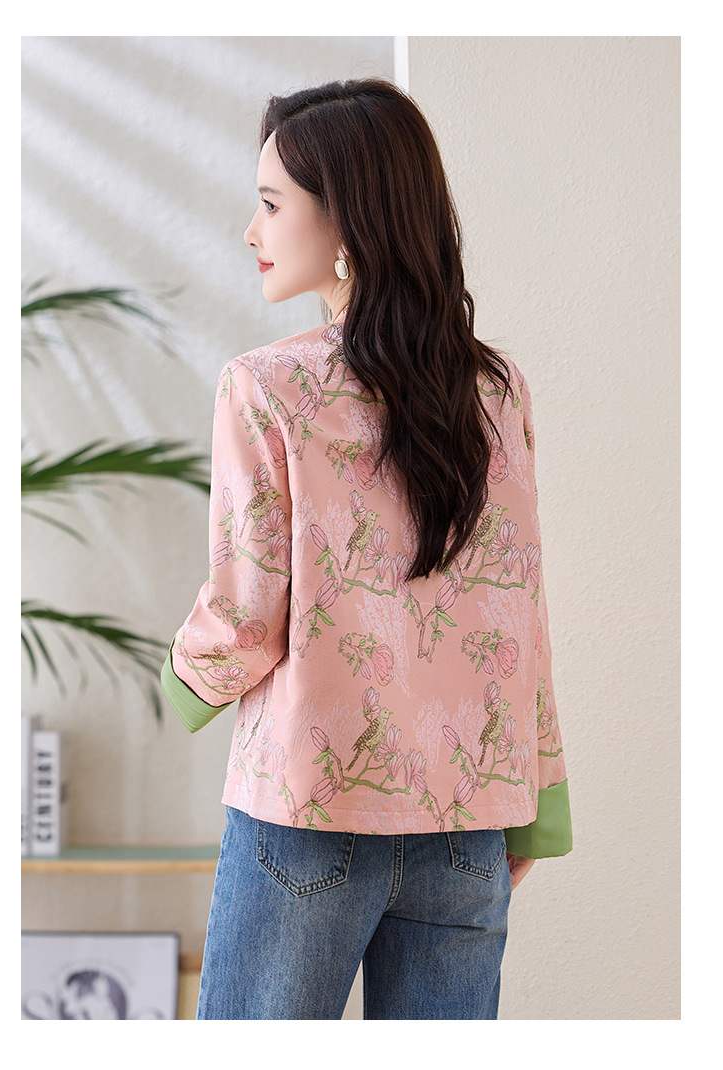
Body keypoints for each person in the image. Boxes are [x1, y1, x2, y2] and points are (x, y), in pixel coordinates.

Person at [161, 77, 572, 1021]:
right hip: (469, 824)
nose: (252, 231)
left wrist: (178, 683)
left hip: (309, 815)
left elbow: (243, 616)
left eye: (271, 205)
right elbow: (519, 613)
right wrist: (537, 798)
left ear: (345, 218)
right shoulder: (497, 390)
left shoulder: (265, 386)